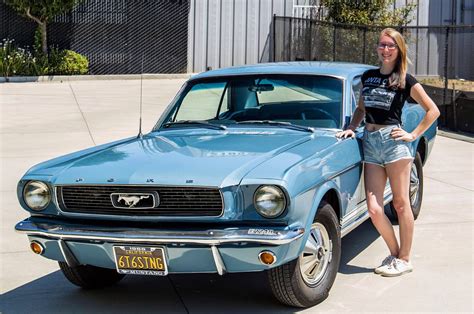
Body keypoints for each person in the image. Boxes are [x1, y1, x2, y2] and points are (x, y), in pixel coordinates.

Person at [336, 28, 440, 277]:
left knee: (401, 204)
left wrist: (412, 135)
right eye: (382, 45)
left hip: (394, 143)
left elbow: (433, 110)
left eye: (391, 46)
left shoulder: (405, 79)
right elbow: (361, 108)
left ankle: (405, 258)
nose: (385, 49)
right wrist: (351, 127)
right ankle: (395, 253)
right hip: (370, 142)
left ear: (399, 49)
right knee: (373, 207)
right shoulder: (368, 76)